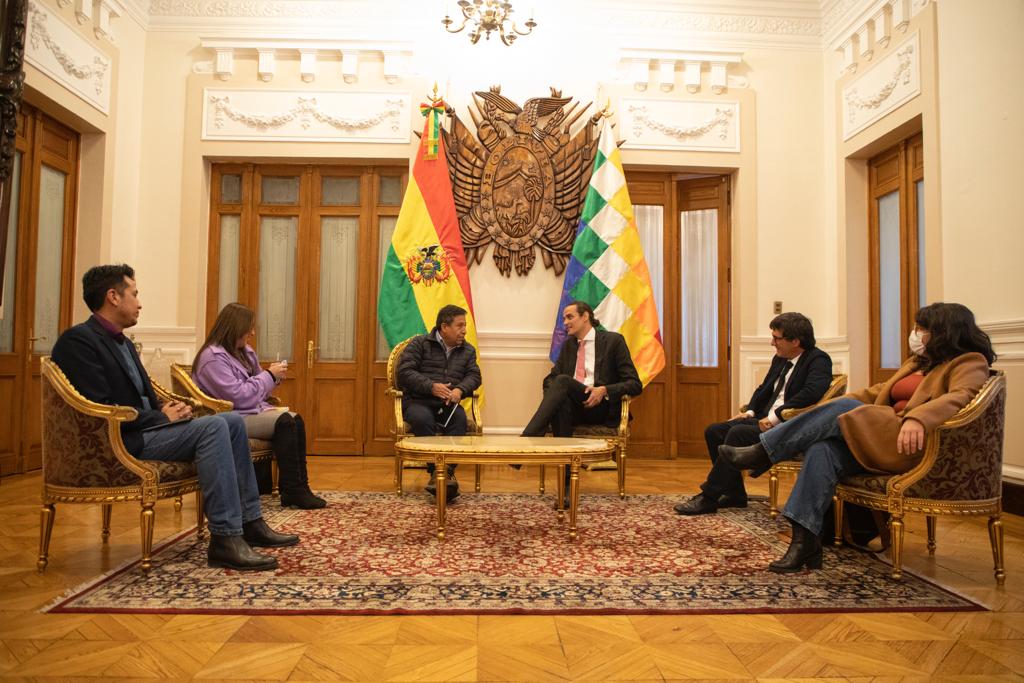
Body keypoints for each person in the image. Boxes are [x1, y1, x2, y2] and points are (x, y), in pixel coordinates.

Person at [51, 265, 298, 572]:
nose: (140, 303)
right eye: (134, 294)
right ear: (113, 297)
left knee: (232, 422)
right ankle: (225, 538)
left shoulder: (124, 342)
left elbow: (140, 396)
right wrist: (159, 416)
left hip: (145, 428)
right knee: (213, 427)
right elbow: (100, 407)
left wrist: (170, 408)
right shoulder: (79, 342)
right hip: (120, 440)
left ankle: (250, 522)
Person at [720, 302, 995, 573]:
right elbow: (877, 391)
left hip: (908, 443)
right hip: (880, 438)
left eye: (921, 328)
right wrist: (825, 408)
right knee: (823, 449)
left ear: (944, 332)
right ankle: (805, 542)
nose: (915, 334)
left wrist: (918, 418)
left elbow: (959, 397)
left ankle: (763, 452)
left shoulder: (969, 362)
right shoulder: (917, 363)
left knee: (843, 408)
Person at [674, 312, 833, 515]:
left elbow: (812, 393)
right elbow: (764, 388)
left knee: (738, 434)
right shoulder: (781, 359)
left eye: (777, 338)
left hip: (788, 427)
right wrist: (749, 412)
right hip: (763, 419)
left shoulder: (818, 360)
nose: (772, 343)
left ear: (795, 341)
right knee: (714, 431)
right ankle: (734, 494)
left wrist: (774, 418)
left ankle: (709, 497)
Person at [192, 303, 326, 510]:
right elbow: (239, 397)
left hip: (249, 410)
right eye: (249, 328)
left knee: (295, 419)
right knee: (286, 423)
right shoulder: (212, 358)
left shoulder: (244, 352)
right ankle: (293, 490)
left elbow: (257, 389)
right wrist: (269, 375)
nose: (252, 333)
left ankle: (298, 488)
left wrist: (273, 377)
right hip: (229, 416)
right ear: (235, 328)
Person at [521, 301, 642, 497]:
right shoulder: (569, 345)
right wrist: (555, 395)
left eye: (570, 317)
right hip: (574, 408)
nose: (565, 322)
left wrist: (604, 390)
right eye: (564, 318)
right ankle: (567, 487)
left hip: (601, 407)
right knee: (561, 400)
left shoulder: (613, 341)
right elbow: (550, 380)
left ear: (585, 316)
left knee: (562, 382)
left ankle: (528, 440)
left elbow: (635, 384)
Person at [397, 304, 482, 501]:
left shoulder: (468, 350)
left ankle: (445, 473)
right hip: (418, 400)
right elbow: (405, 372)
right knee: (423, 419)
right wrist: (431, 387)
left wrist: (460, 390)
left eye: (465, 325)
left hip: (448, 404)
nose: (464, 330)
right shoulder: (420, 344)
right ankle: (438, 473)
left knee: (459, 420)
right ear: (444, 327)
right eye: (460, 325)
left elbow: (475, 376)